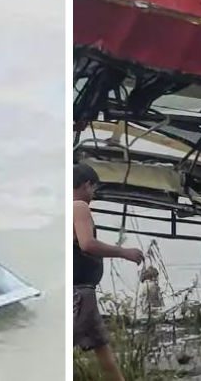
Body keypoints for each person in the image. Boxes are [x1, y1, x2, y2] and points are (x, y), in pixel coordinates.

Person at [72, 162, 143, 381]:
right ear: (86, 185)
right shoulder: (78, 207)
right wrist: (124, 252)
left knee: (103, 349)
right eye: (94, 189)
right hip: (80, 293)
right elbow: (87, 244)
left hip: (85, 291)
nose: (93, 194)